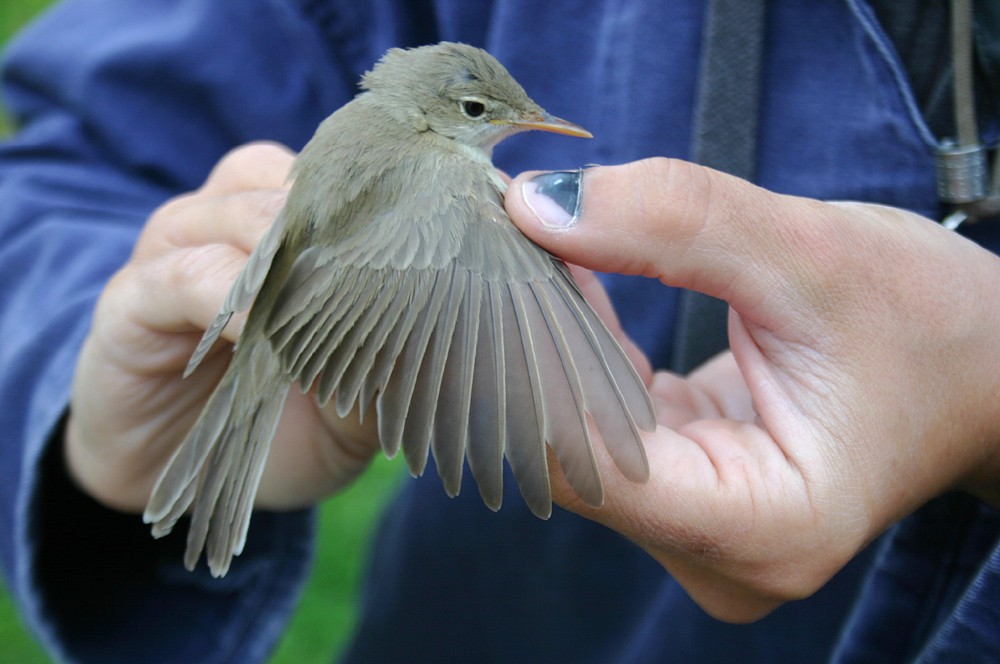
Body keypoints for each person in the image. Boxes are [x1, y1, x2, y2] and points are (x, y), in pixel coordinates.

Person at [1, 1, 998, 662]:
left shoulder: (401, 146)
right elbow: (76, 156)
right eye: (486, 113)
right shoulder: (443, 180)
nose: (514, 127)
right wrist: (79, 394)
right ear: (441, 115)